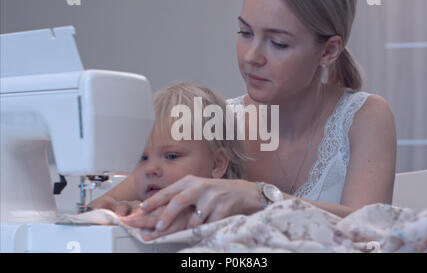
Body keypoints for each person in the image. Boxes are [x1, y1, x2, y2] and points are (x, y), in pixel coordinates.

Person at [91, 0, 397, 240]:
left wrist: (262, 199)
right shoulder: (215, 121)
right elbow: (104, 207)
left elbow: (371, 235)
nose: (251, 56)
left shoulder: (364, 118)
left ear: (328, 51)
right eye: (245, 33)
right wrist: (128, 213)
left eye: (278, 43)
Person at [88, 82, 247, 240]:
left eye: (171, 156)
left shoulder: (237, 228)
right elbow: (95, 207)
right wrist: (113, 208)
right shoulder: (142, 204)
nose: (150, 169)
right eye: (142, 158)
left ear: (217, 164)